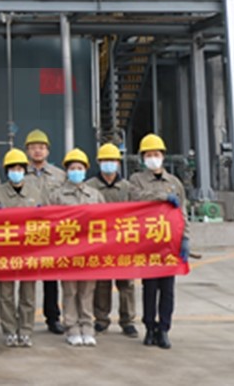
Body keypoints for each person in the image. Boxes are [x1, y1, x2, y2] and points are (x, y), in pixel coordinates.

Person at [128, 133, 188, 350]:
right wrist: (161, 197)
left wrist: (185, 239)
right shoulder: (136, 180)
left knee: (167, 290)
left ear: (163, 156)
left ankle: (163, 329)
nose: (153, 158)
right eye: (148, 155)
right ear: (143, 158)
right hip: (148, 243)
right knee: (149, 288)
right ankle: (149, 328)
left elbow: (182, 212)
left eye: (156, 154)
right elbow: (135, 199)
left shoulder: (174, 182)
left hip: (169, 243)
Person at [47, 148, 103, 347]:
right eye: (73, 168)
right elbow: (50, 222)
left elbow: (105, 221)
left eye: (80, 168)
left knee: (87, 290)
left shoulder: (95, 195)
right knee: (70, 290)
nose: (76, 171)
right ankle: (71, 327)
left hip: (89, 251)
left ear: (86, 170)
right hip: (67, 251)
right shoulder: (56, 195)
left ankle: (87, 326)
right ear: (67, 171)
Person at [0, 148, 43, 347]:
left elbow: (45, 219)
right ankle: (10, 330)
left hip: (30, 251)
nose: (16, 171)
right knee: (6, 294)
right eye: (12, 168)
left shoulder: (35, 193)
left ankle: (26, 330)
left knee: (28, 293)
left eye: (20, 168)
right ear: (7, 171)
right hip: (5, 250)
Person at [86, 143, 139, 338]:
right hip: (99, 242)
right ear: (98, 162)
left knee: (126, 284)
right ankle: (101, 319)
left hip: (123, 242)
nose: (109, 164)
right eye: (105, 160)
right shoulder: (90, 187)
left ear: (118, 163)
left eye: (112, 160)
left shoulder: (128, 188)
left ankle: (127, 321)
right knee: (101, 284)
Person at [24, 128, 67, 334]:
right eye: (33, 147)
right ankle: (26, 319)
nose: (37, 151)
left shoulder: (60, 175)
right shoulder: (20, 173)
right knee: (28, 278)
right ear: (27, 151)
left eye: (41, 147)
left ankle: (53, 317)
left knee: (51, 278)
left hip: (53, 233)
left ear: (48, 151)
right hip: (28, 232)